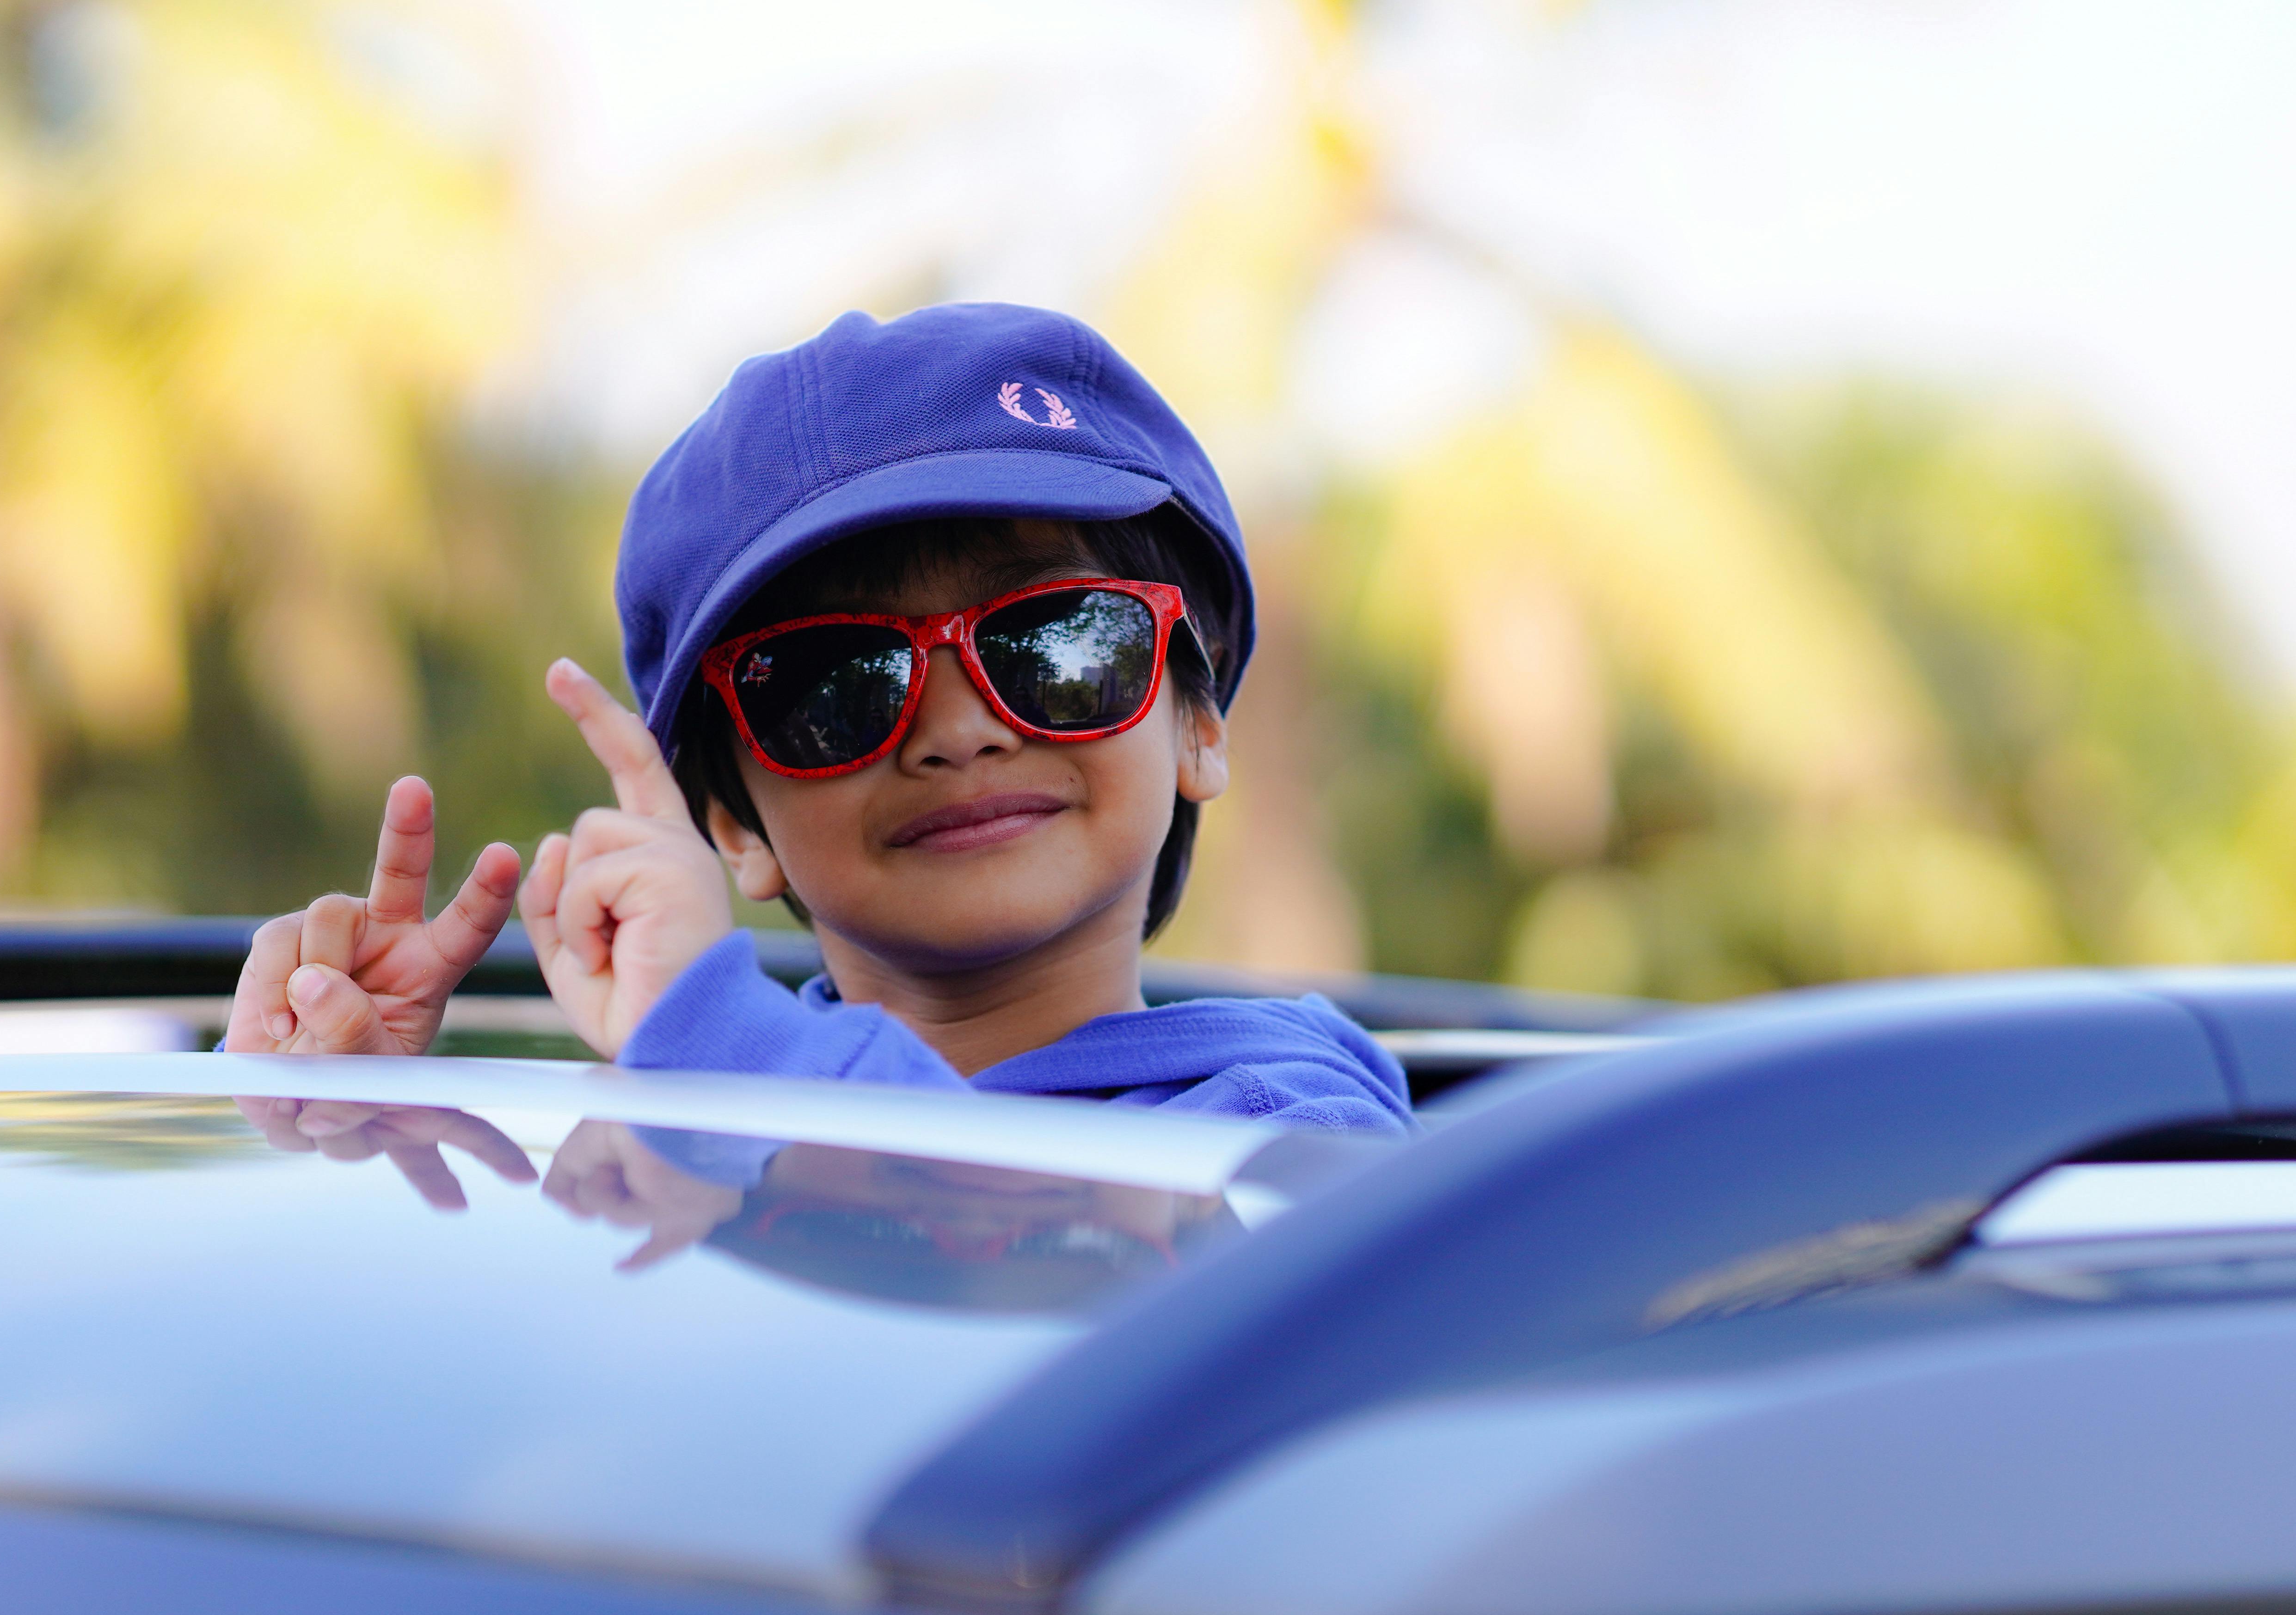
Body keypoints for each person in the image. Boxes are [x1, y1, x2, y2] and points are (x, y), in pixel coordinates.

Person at [223, 303, 1412, 1135]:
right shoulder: (671, 1122)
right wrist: (355, 1126)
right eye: (833, 680)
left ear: (1197, 722)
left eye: (1056, 642)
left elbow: (1063, 1288)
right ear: (733, 824)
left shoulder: (1285, 1124)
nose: (957, 732)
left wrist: (721, 1046)